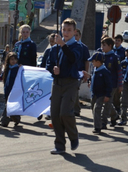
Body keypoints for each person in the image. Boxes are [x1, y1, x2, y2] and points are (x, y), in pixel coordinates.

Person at [46, 18, 82, 155]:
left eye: (69, 30)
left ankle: (73, 136)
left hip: (70, 83)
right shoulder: (55, 48)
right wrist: (53, 69)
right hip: (57, 83)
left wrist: (62, 45)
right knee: (55, 115)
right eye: (64, 29)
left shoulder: (77, 46)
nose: (65, 32)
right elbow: (49, 64)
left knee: (65, 113)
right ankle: (60, 145)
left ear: (74, 32)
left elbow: (73, 58)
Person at [82, 52, 112, 135]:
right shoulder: (96, 70)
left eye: (93, 61)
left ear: (98, 62)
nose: (92, 63)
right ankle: (99, 123)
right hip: (94, 93)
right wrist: (89, 80)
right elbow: (93, 78)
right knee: (94, 109)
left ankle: (98, 127)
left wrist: (107, 95)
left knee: (97, 109)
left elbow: (109, 84)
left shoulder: (105, 72)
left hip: (101, 94)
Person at [101, 37, 122, 128]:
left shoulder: (115, 57)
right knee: (105, 102)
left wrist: (120, 85)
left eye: (104, 45)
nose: (102, 47)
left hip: (112, 84)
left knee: (107, 103)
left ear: (110, 46)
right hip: (102, 83)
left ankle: (103, 122)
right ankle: (114, 116)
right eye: (102, 45)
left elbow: (119, 72)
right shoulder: (101, 56)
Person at [0, 52, 21, 127]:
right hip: (7, 90)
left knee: (8, 106)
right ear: (8, 61)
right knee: (9, 105)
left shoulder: (18, 69)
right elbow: (1, 77)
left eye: (15, 59)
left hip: (14, 90)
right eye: (12, 59)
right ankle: (16, 118)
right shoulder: (7, 69)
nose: (13, 61)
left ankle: (4, 121)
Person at [74, 28, 90, 117]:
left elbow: (86, 61)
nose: (75, 37)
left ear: (80, 36)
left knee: (75, 90)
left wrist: (86, 73)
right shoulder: (69, 46)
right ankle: (74, 108)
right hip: (71, 72)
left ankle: (76, 109)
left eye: (77, 35)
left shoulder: (83, 47)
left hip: (80, 72)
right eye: (74, 35)